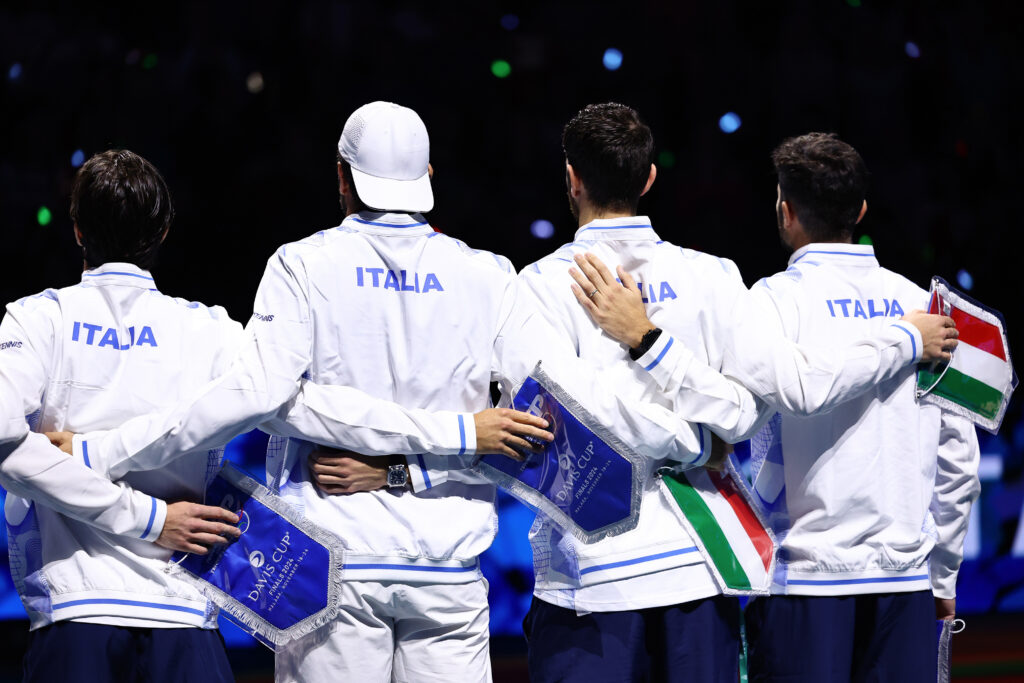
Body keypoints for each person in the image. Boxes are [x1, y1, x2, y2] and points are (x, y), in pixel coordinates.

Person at [519, 105, 962, 683]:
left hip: (606, 577)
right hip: (705, 569)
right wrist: (699, 444)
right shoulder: (719, 277)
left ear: (572, 178)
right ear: (649, 178)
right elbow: (956, 453)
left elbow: (572, 424)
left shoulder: (537, 285)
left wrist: (650, 342)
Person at [0, 150, 243, 682]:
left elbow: (5, 447)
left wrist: (94, 453)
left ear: (77, 230)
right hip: (178, 613)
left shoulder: (37, 320)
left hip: (76, 617)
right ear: (164, 231)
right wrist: (152, 520)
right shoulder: (215, 333)